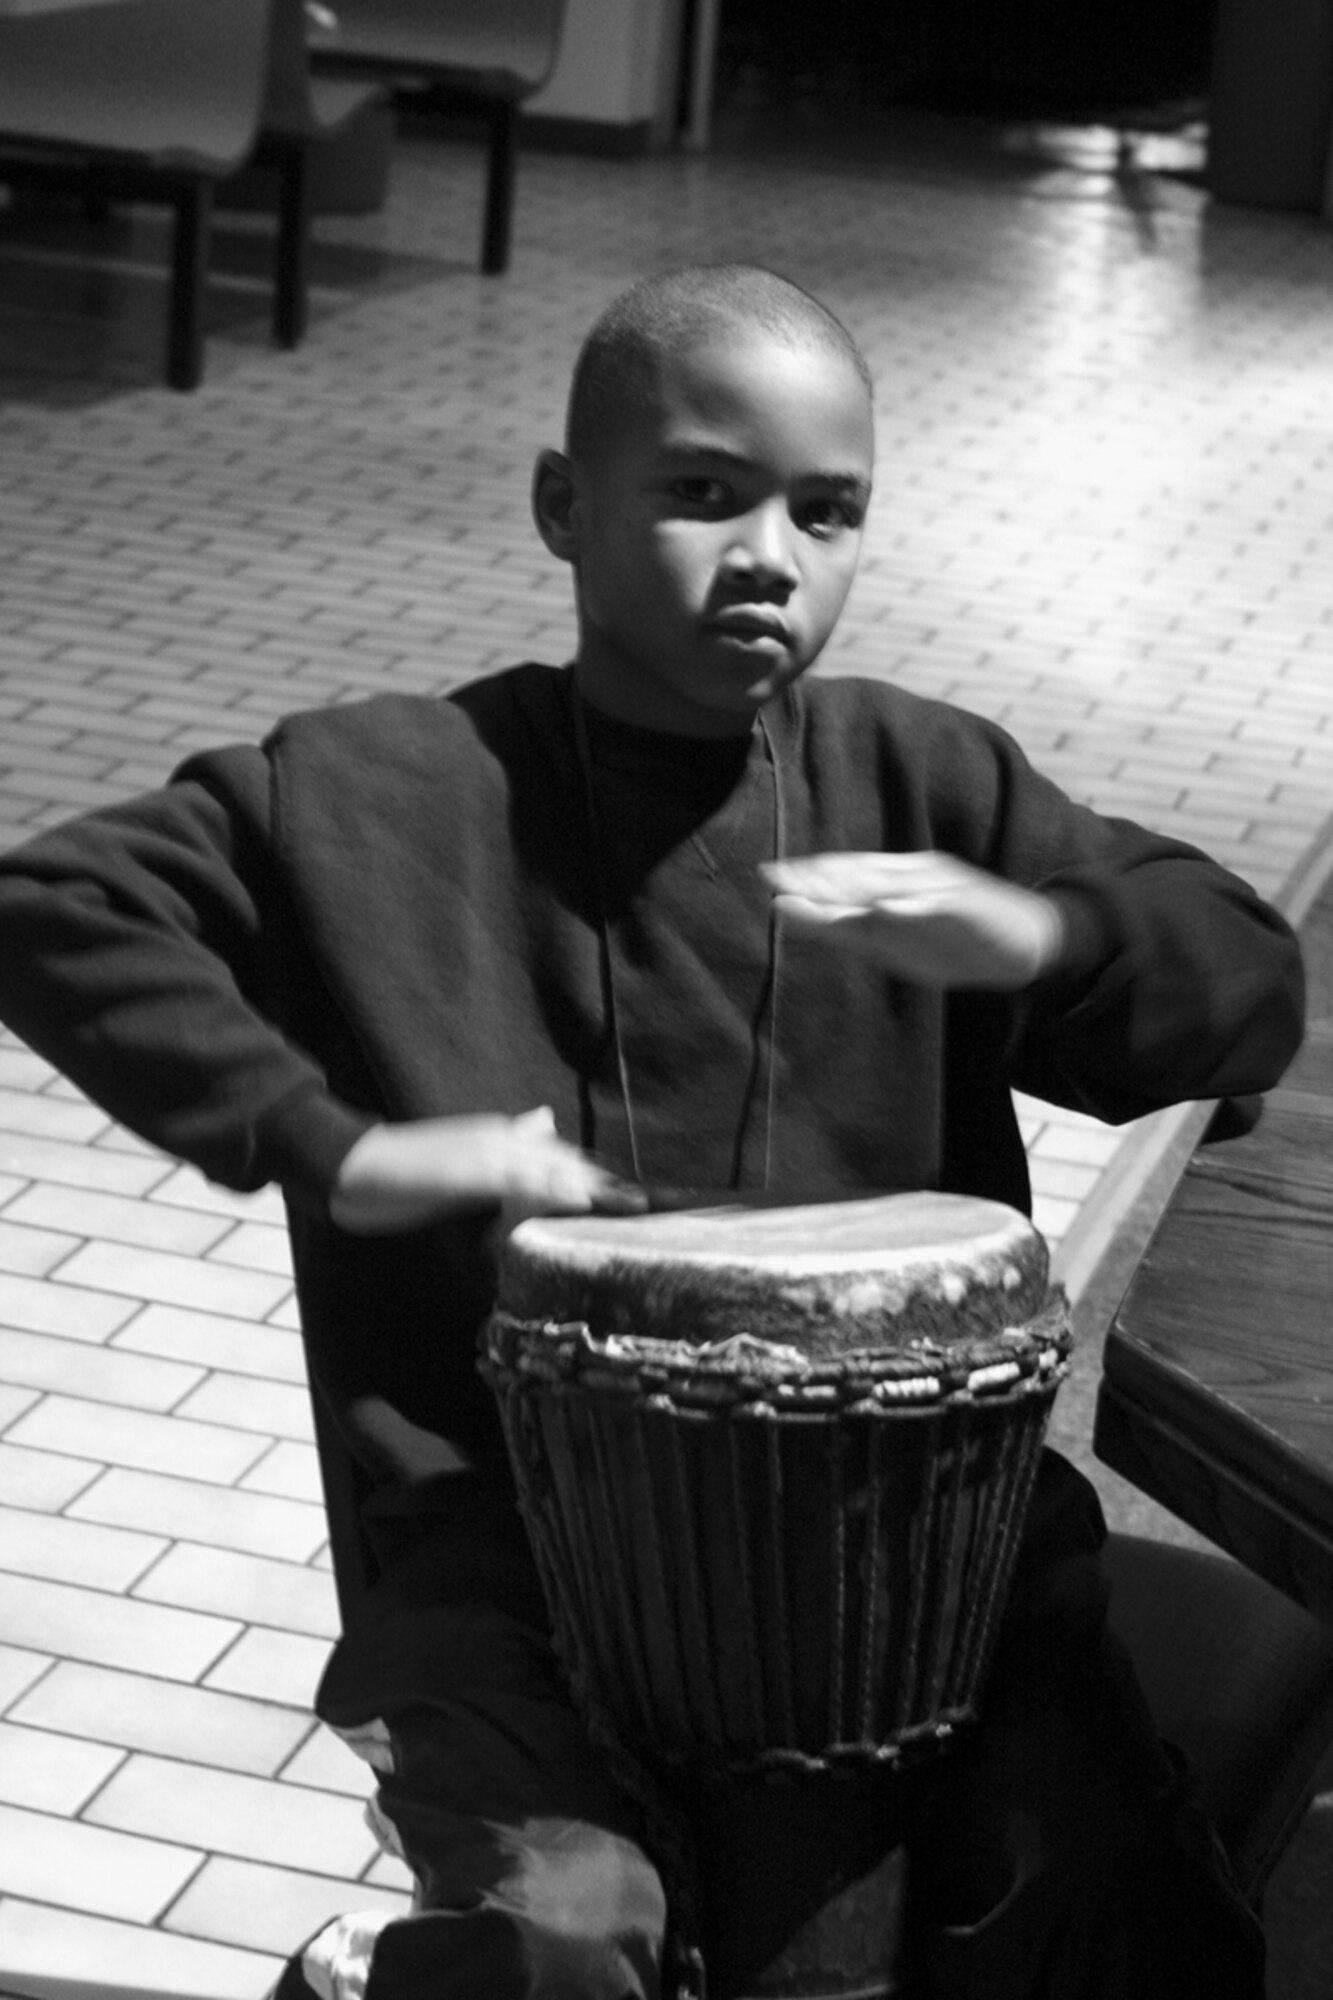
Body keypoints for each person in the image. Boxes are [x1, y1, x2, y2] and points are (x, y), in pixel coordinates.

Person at [0, 265, 1303, 2000]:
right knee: (561, 1936)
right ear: (566, 505)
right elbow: (55, 903)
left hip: (927, 1556)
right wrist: (332, 1144)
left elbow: (1247, 988)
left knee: (1100, 1907)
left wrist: (1044, 936)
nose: (768, 550)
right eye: (702, 491)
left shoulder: (926, 787)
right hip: (504, 1560)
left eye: (824, 512)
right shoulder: (387, 788)